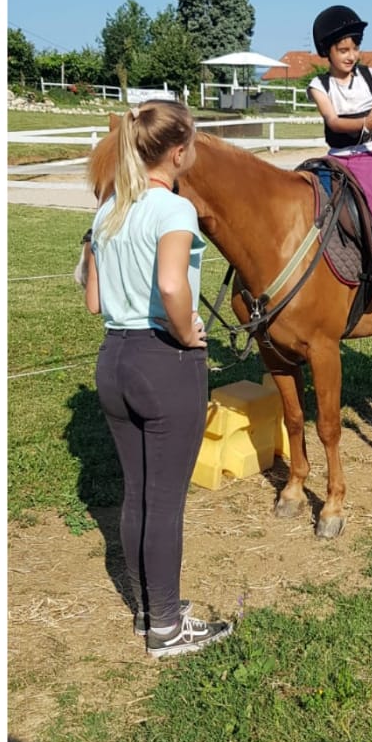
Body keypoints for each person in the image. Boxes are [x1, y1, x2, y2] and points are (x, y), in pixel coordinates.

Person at [84, 100, 232, 660]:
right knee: (167, 503)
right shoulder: (174, 209)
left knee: (138, 497)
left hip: (114, 361)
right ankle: (167, 629)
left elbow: (95, 300)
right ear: (177, 151)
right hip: (162, 361)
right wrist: (187, 333)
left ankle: (152, 607)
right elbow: (173, 287)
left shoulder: (108, 212)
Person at [308, 4, 372, 286]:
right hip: (337, 156)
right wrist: (366, 123)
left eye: (354, 49)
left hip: (370, 153)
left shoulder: (370, 77)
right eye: (343, 50)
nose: (351, 56)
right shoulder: (320, 85)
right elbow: (333, 121)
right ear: (327, 50)